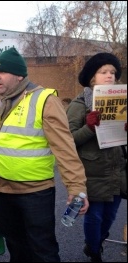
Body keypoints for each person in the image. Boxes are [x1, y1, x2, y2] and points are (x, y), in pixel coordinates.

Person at [0, 47, 89, 262]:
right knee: (16, 245)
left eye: (2, 72)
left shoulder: (44, 100)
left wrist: (76, 187)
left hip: (34, 191)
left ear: (19, 75)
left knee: (42, 249)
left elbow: (65, 148)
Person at [66, 52, 126, 262]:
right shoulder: (79, 104)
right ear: (93, 77)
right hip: (92, 172)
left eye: (113, 72)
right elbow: (69, 140)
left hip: (116, 171)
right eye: (103, 72)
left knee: (110, 217)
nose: (110, 75)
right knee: (95, 217)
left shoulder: (122, 101)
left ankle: (97, 242)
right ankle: (93, 251)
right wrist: (89, 128)